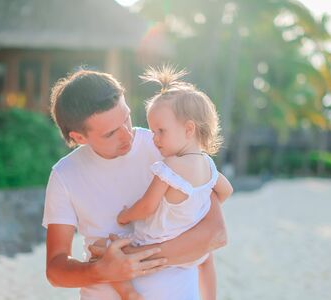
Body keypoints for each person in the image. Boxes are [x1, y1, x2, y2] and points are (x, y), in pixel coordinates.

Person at [42, 67, 227, 300]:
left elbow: (215, 233)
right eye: (110, 134)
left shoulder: (166, 144)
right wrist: (100, 270)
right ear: (79, 138)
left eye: (127, 119)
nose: (127, 135)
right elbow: (56, 271)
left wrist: (132, 259)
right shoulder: (64, 176)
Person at [108, 66, 233, 300]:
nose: (154, 139)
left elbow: (147, 206)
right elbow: (226, 191)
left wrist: (125, 216)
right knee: (207, 261)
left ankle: (129, 294)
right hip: (190, 254)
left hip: (153, 243)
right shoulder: (208, 166)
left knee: (107, 252)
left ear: (188, 129)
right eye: (153, 131)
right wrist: (198, 204)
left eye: (160, 131)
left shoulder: (169, 167)